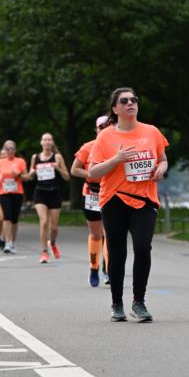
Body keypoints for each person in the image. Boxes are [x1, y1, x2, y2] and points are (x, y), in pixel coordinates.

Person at [88, 87, 168, 322]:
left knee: (143, 247)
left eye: (134, 99)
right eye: (124, 101)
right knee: (117, 251)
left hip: (144, 199)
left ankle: (139, 302)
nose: (130, 103)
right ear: (115, 108)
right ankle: (116, 303)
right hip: (114, 200)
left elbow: (162, 159)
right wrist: (116, 159)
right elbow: (93, 172)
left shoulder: (151, 132)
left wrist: (161, 169)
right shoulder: (105, 137)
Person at [71, 115, 111, 286]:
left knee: (110, 234)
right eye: (101, 127)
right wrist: (91, 173)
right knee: (96, 234)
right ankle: (94, 267)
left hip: (111, 193)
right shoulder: (88, 147)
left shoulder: (116, 147)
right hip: (91, 194)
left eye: (108, 126)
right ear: (96, 129)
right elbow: (74, 170)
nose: (104, 129)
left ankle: (109, 271)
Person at [29, 133, 69, 263]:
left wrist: (58, 168)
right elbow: (30, 175)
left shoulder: (57, 157)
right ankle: (44, 252)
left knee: (54, 228)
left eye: (49, 140)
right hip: (40, 193)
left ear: (52, 143)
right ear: (41, 142)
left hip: (54, 193)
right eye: (44, 140)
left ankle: (52, 243)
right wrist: (32, 172)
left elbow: (67, 177)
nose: (47, 142)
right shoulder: (35, 157)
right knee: (44, 222)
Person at [0, 140, 27, 254]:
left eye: (11, 148)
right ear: (4, 150)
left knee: (14, 219)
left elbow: (27, 177)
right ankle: (7, 243)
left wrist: (19, 175)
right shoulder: (0, 162)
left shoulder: (20, 161)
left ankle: (13, 242)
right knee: (7, 217)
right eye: (7, 149)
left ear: (15, 150)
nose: (9, 151)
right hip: (3, 192)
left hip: (17, 192)